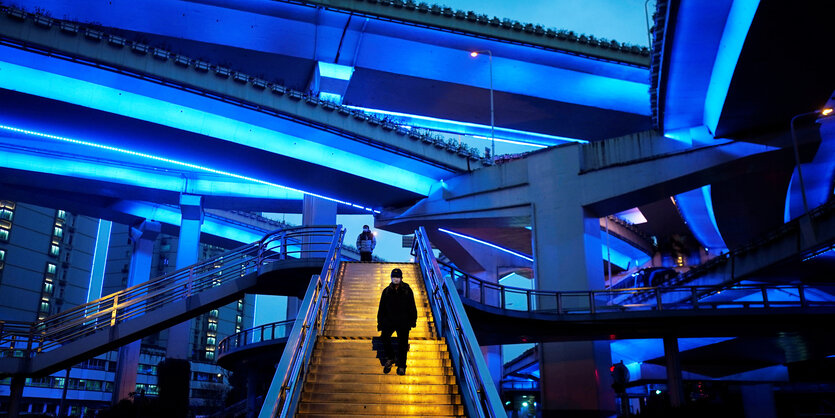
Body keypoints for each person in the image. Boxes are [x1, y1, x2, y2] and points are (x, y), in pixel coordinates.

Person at [377, 268, 417, 375]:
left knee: (403, 344)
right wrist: (380, 323)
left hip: (403, 321)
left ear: (401, 278)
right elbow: (382, 308)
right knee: (384, 337)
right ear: (391, 278)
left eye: (397, 277)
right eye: (394, 277)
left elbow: (412, 306)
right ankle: (391, 357)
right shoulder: (386, 291)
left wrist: (413, 320)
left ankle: (402, 366)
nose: (395, 279)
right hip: (389, 321)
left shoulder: (407, 290)